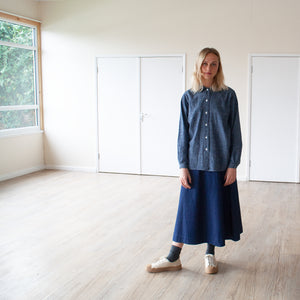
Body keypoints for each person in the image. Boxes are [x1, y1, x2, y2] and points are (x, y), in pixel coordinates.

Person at [146, 47, 243, 274]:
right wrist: (182, 166)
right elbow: (183, 134)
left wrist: (233, 165)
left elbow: (235, 133)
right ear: (198, 66)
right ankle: (173, 257)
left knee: (215, 210)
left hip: (220, 165)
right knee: (187, 210)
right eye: (205, 64)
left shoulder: (229, 96)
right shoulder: (188, 97)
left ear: (219, 67)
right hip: (194, 164)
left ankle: (210, 254)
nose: (209, 69)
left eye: (214, 64)